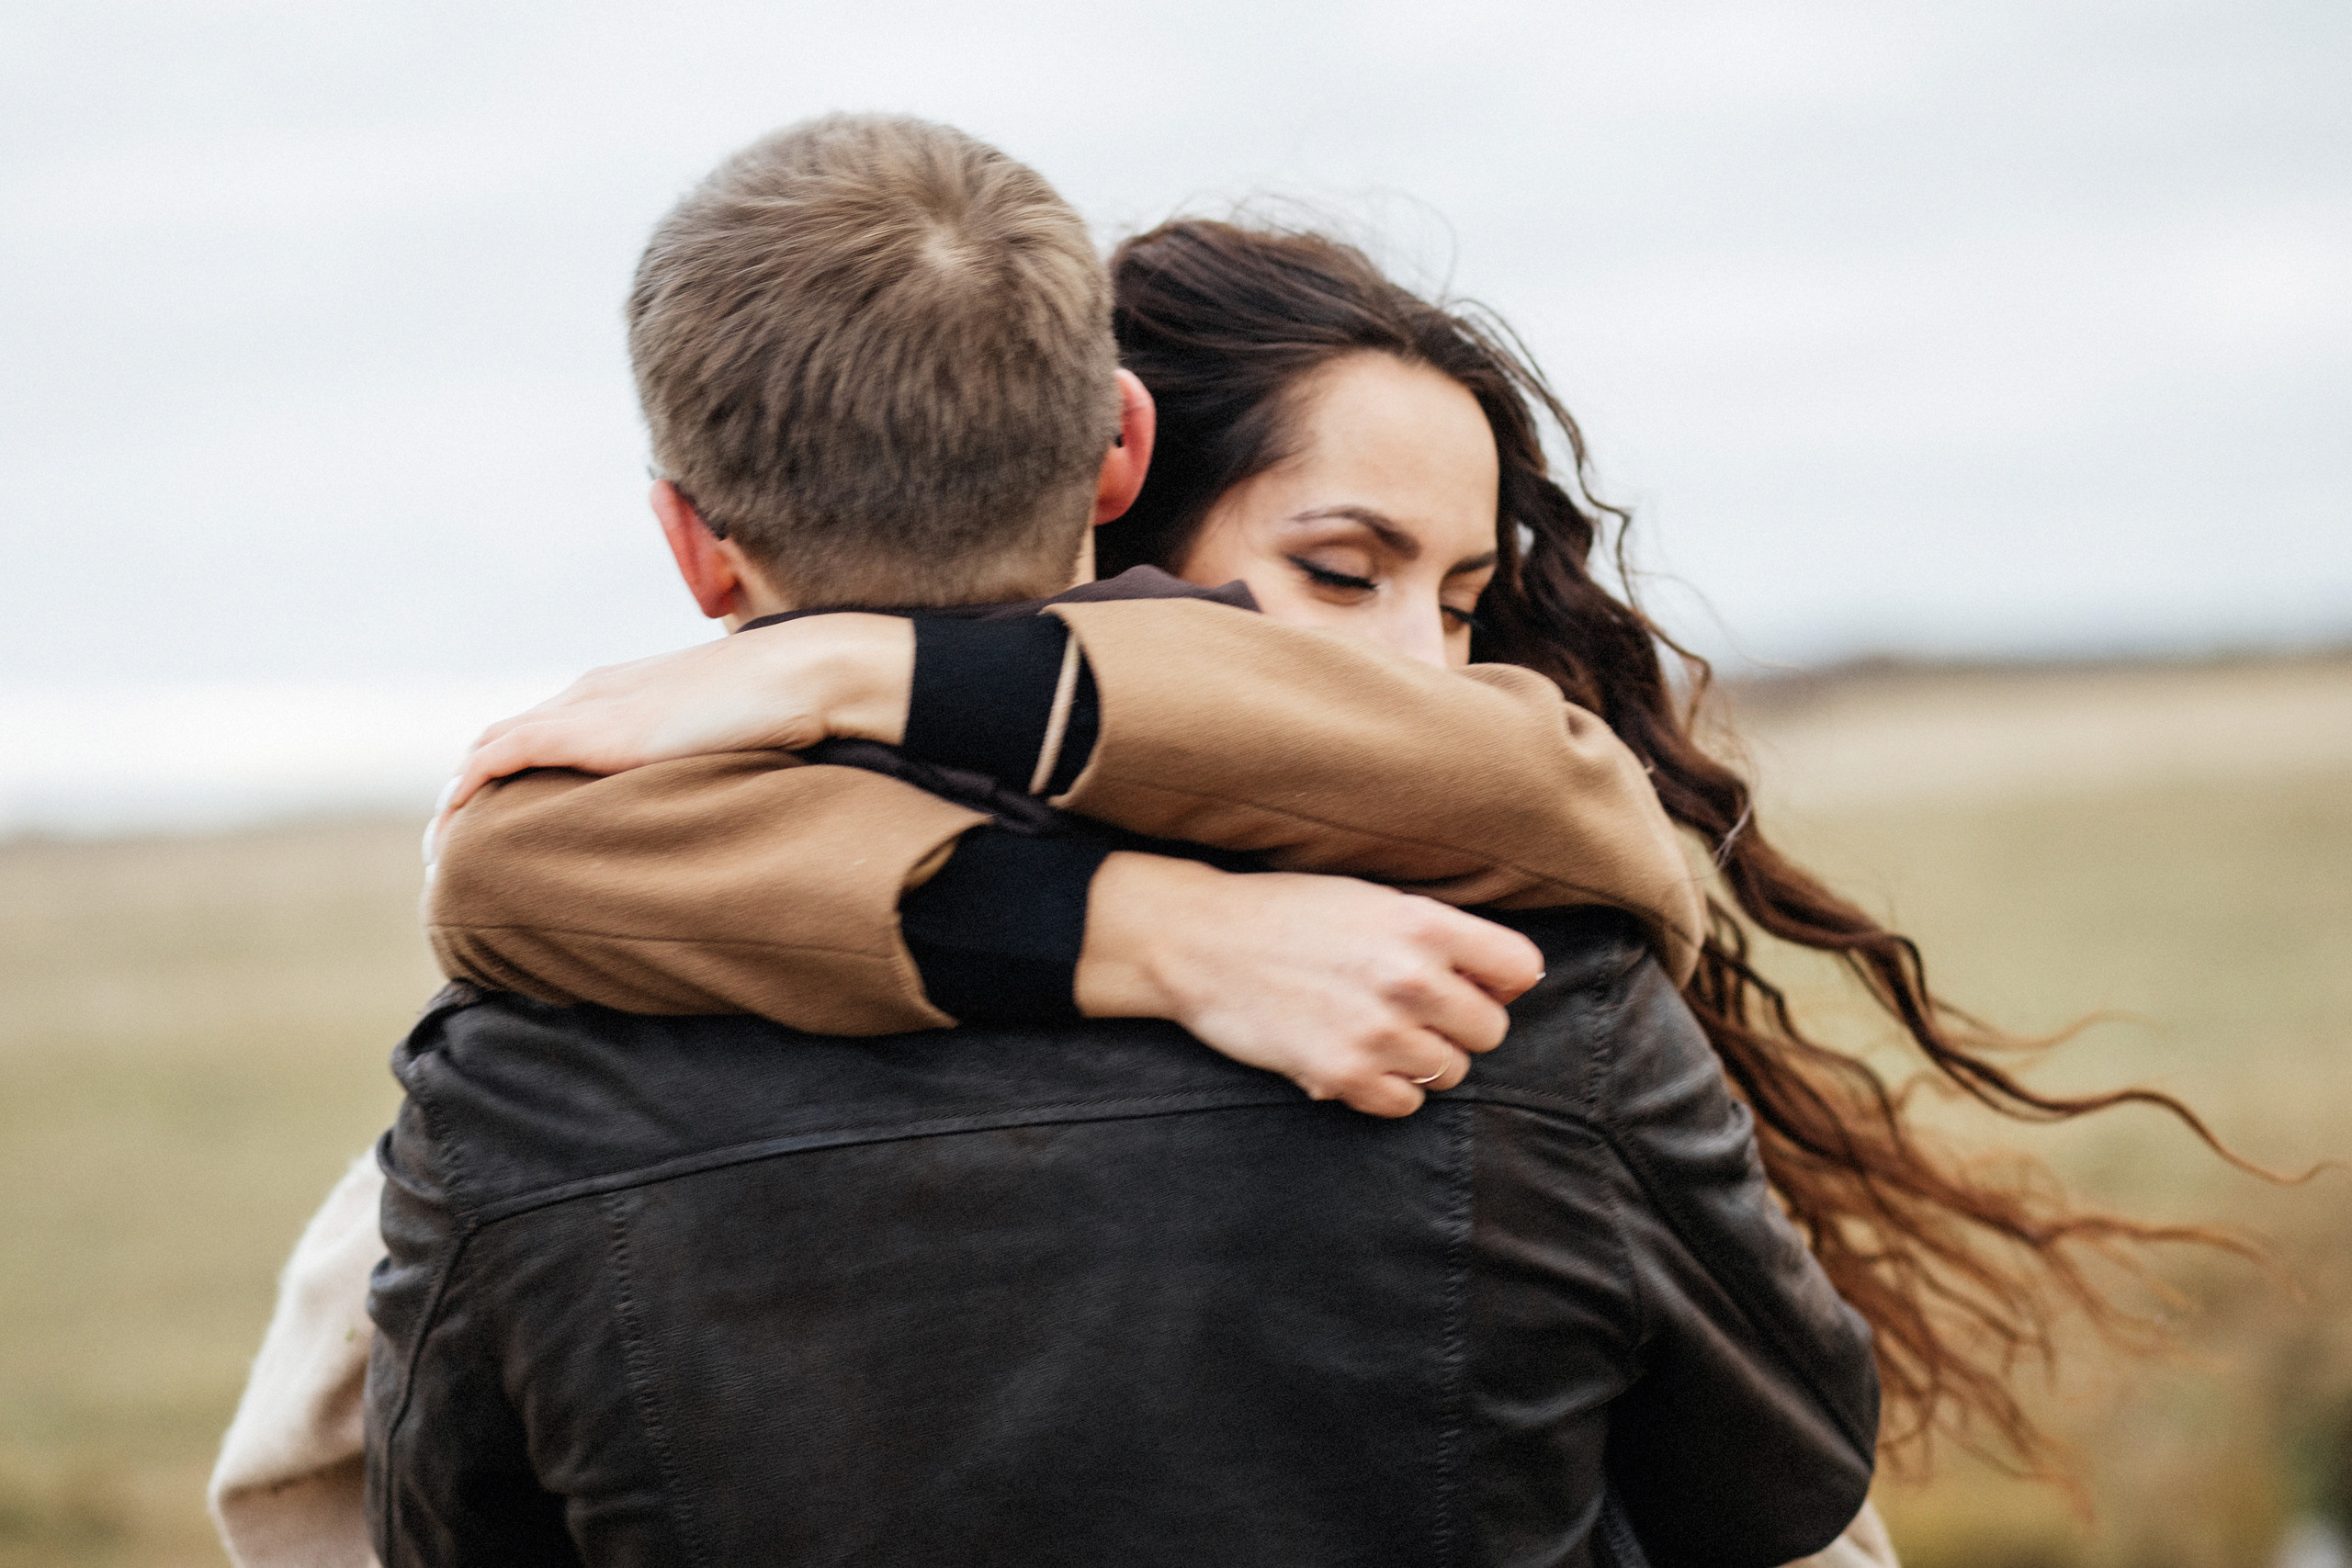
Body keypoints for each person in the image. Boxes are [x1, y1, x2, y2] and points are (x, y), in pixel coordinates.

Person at [401, 209, 2258, 1546]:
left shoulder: (518, 1060)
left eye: (1460, 603)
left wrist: (851, 664)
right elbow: (1779, 1484)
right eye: (1338, 569)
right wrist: (1147, 929)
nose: (1416, 676)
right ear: (1111, 485)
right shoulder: (1519, 995)